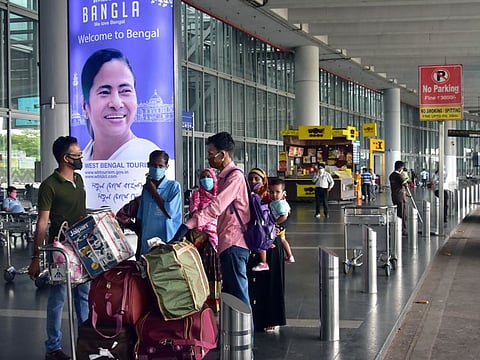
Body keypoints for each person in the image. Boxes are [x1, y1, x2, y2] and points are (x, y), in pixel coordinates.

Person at [28, 136, 90, 360]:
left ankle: (86, 340)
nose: (81, 158)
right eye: (77, 155)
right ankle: (53, 347)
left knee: (84, 294)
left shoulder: (79, 180)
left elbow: (80, 212)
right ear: (66, 158)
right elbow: (42, 223)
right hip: (59, 251)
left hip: (82, 247)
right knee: (58, 297)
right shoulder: (49, 186)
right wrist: (36, 257)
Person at [175, 132, 251, 309]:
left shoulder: (235, 177)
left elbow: (216, 207)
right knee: (232, 295)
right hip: (227, 242)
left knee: (239, 295)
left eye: (211, 153)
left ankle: (246, 336)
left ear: (222, 154)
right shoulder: (224, 177)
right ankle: (235, 335)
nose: (209, 158)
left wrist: (189, 224)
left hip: (235, 244)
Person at [81, 48, 158, 161]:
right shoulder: (78, 165)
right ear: (85, 105)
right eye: (104, 92)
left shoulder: (151, 158)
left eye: (125, 91)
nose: (116, 104)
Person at [246, 168, 287, 333]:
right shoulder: (248, 197)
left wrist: (275, 229)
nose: (254, 181)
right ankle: (257, 318)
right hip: (255, 244)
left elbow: (283, 215)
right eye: (251, 178)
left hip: (271, 244)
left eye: (257, 178)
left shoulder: (272, 198)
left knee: (272, 282)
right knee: (256, 282)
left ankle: (273, 318)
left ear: (264, 181)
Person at [136, 150, 182, 257]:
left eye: (160, 166)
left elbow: (169, 212)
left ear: (166, 167)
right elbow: (141, 218)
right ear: (148, 165)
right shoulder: (146, 189)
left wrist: (154, 192)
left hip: (167, 240)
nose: (157, 169)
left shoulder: (173, 187)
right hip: (147, 242)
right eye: (153, 165)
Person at [188, 168, 222, 312]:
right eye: (203, 177)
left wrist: (210, 231)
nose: (206, 179)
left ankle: (215, 301)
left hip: (215, 237)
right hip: (198, 237)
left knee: (214, 268)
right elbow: (194, 215)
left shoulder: (219, 195)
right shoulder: (196, 195)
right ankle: (200, 300)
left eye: (209, 176)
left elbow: (220, 215)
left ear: (214, 179)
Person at [251, 176, 295, 271]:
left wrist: (274, 224)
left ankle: (263, 262)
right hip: (278, 226)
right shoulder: (276, 202)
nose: (274, 194)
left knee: (263, 240)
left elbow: (284, 216)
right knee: (283, 239)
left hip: (275, 226)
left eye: (277, 192)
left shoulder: (279, 203)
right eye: (271, 192)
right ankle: (289, 255)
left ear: (283, 193)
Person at [389, 160, 409, 234]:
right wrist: (406, 177)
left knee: (397, 211)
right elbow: (405, 184)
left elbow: (397, 186)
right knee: (402, 212)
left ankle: (397, 226)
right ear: (400, 168)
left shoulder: (391, 175)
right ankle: (402, 228)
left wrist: (406, 193)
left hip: (394, 195)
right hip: (400, 197)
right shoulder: (398, 175)